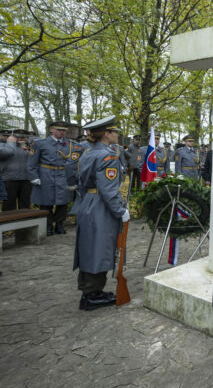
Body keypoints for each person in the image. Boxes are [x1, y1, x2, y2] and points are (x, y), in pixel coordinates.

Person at [71, 116, 130, 311]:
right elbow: (108, 190)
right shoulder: (108, 156)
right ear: (106, 134)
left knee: (90, 247)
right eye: (114, 132)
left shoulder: (88, 153)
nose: (117, 135)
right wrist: (120, 211)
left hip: (87, 201)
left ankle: (91, 290)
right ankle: (91, 295)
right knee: (99, 247)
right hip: (100, 206)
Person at [27, 121, 75, 236]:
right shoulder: (40, 143)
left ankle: (59, 224)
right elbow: (32, 162)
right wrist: (34, 177)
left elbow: (73, 162)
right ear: (51, 130)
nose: (61, 132)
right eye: (59, 130)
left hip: (63, 175)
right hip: (46, 174)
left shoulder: (70, 144)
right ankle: (48, 225)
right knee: (45, 202)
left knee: (63, 202)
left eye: (63, 131)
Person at [0, 129, 33, 210]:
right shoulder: (3, 145)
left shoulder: (26, 146)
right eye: (18, 137)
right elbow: (7, 152)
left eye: (23, 137)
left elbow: (32, 158)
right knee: (9, 206)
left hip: (26, 179)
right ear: (12, 137)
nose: (20, 139)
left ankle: (25, 222)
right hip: (9, 179)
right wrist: (11, 143)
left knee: (25, 206)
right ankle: (8, 222)